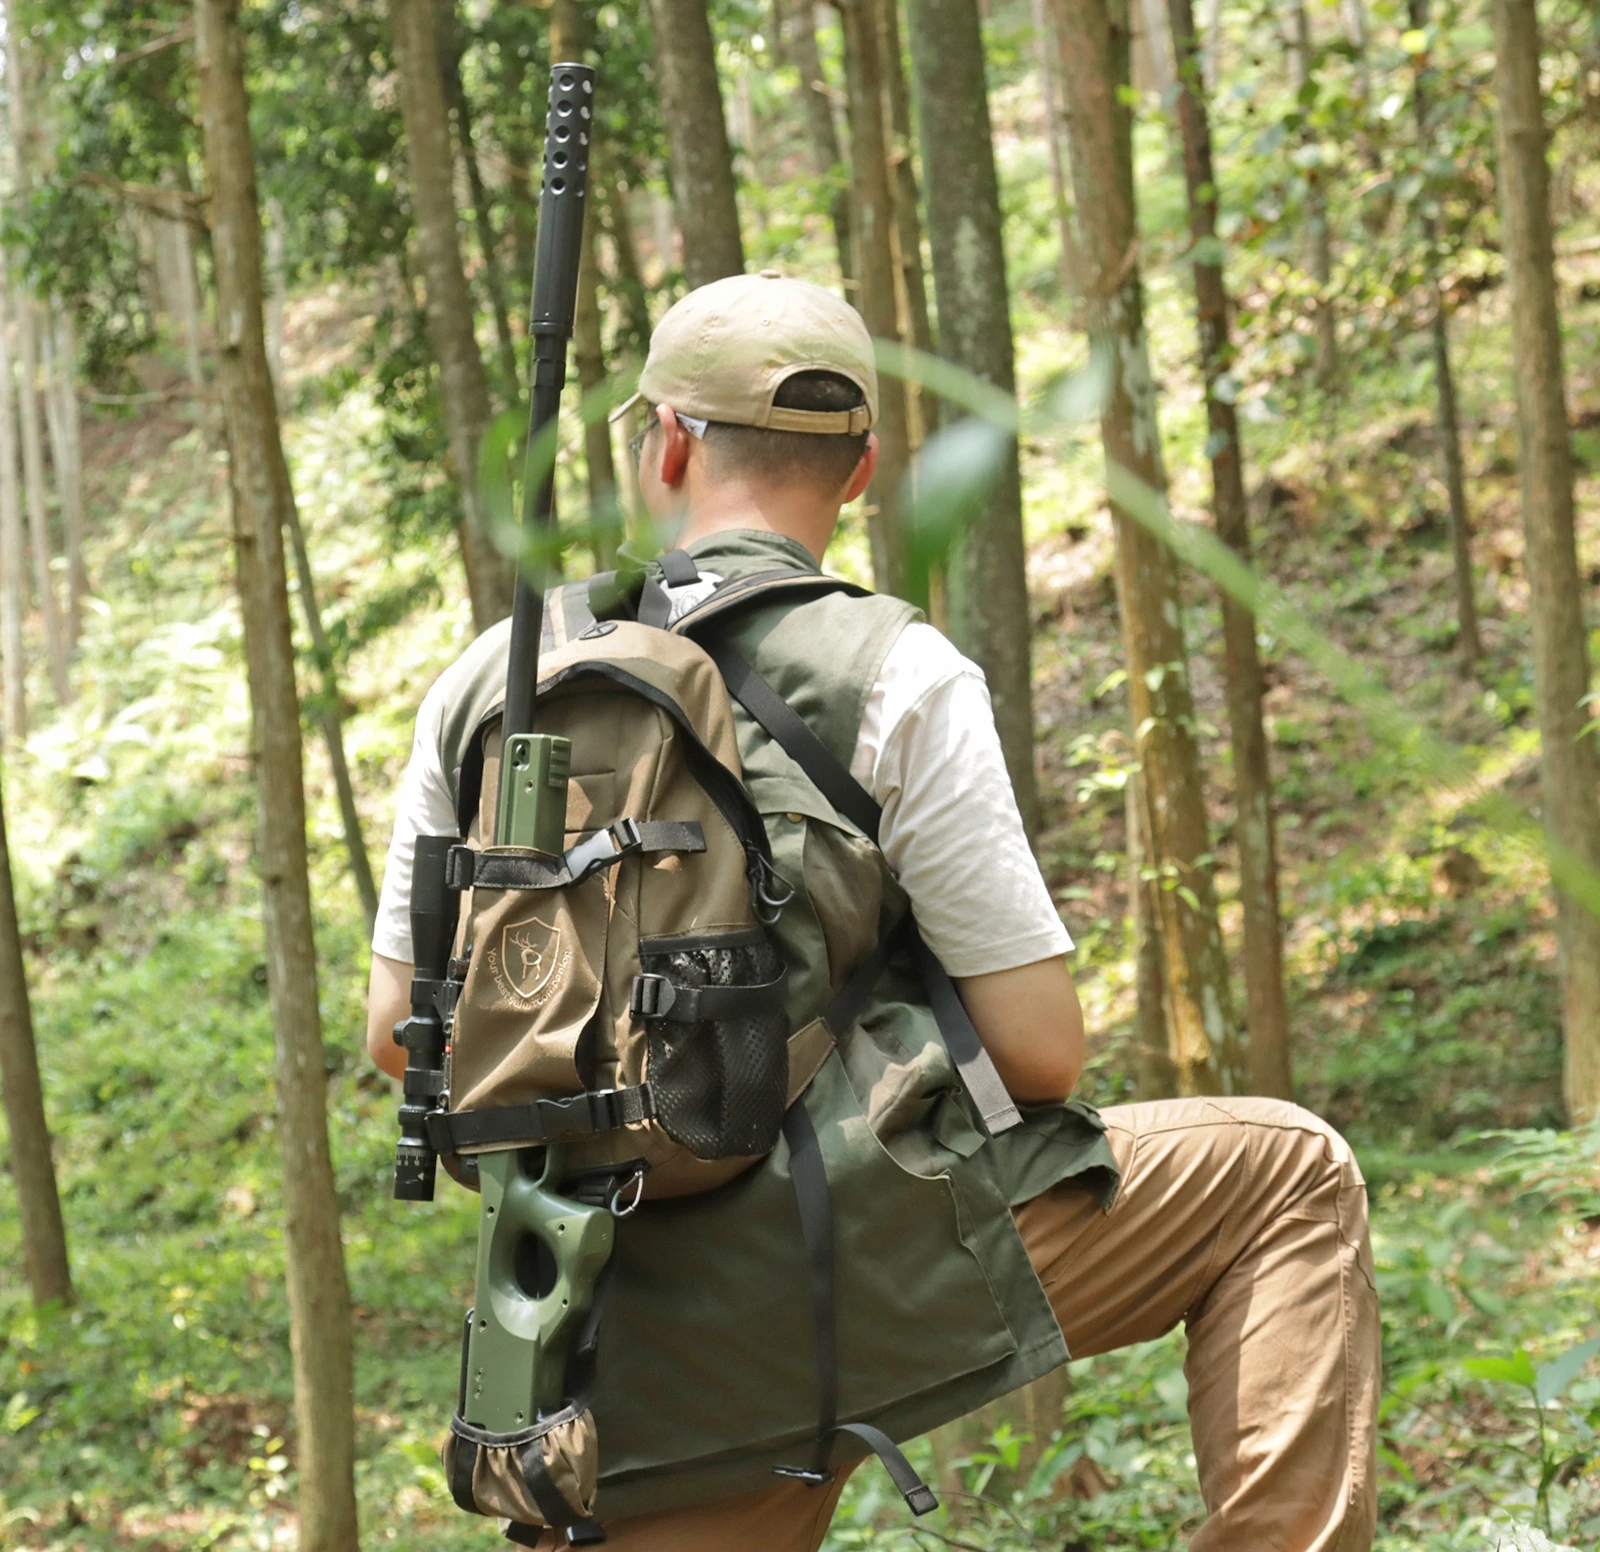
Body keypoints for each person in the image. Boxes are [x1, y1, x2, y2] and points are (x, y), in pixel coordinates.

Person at [367, 272, 1379, 1552]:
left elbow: (398, 1031)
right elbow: (1039, 1050)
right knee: (1284, 1174)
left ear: (665, 444)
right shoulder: (895, 668)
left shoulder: (492, 678)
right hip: (870, 1268)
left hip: (602, 1347)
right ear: (862, 471)